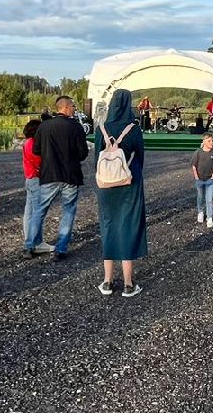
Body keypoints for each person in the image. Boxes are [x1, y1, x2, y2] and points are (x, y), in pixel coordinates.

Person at [95, 89, 147, 296]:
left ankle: (107, 281)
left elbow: (95, 162)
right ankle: (128, 283)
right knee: (129, 227)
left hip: (106, 187)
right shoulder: (133, 129)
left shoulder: (102, 128)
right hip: (129, 184)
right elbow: (140, 157)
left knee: (108, 227)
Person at [31, 95, 90, 260]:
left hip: (49, 173)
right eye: (73, 106)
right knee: (68, 211)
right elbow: (83, 153)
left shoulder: (44, 126)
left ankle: (30, 245)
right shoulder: (76, 127)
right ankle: (61, 248)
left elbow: (36, 150)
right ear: (65, 108)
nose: (74, 109)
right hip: (70, 175)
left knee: (40, 210)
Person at [20, 118, 44, 254]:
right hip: (35, 179)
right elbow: (39, 160)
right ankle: (35, 242)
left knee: (29, 212)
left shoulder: (26, 143)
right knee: (37, 212)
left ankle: (29, 239)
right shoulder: (33, 144)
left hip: (29, 178)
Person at [191, 132, 213, 228]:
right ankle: (200, 212)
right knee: (200, 197)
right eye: (209, 141)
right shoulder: (198, 152)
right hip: (199, 180)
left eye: (212, 141)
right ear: (204, 141)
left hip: (210, 181)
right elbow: (194, 166)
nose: (211, 143)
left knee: (209, 199)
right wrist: (196, 177)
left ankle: (209, 218)